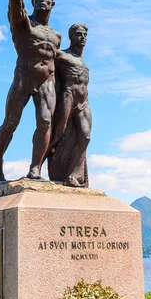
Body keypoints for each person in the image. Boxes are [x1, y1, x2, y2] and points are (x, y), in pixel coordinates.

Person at [0, 0, 61, 182]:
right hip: (23, 77)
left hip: (46, 82)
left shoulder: (57, 36)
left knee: (45, 121)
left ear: (52, 4)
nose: (42, 0)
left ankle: (35, 168)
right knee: (10, 123)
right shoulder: (24, 24)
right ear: (32, 1)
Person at [47, 23, 92, 187]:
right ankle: (36, 165)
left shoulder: (83, 62)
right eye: (79, 34)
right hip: (67, 96)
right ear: (71, 37)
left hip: (84, 101)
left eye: (85, 35)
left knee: (85, 137)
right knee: (57, 135)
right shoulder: (62, 56)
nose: (83, 37)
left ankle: (73, 175)